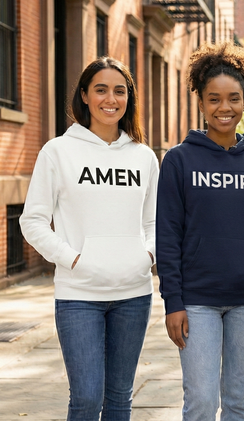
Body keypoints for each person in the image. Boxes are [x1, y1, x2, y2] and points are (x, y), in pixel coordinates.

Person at [20, 57, 158, 421]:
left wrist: (145, 255)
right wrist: (73, 259)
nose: (110, 99)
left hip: (133, 293)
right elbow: (33, 221)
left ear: (129, 98)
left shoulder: (143, 157)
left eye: (119, 91)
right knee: (85, 397)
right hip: (79, 295)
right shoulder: (58, 151)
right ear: (84, 96)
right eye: (100, 90)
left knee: (119, 398)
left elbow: (155, 221)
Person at [156, 41, 244, 421]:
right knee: (202, 403)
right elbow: (168, 236)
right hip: (197, 301)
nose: (224, 107)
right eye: (214, 99)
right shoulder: (178, 160)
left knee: (239, 404)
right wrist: (172, 301)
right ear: (202, 102)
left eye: (233, 98)